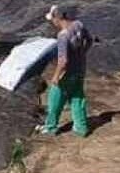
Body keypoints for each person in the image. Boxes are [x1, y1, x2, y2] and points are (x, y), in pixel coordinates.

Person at [37, 7, 93, 137]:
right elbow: (89, 40)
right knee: (77, 98)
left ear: (58, 18)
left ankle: (50, 127)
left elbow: (63, 61)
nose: (52, 22)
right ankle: (81, 127)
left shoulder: (63, 36)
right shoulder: (78, 25)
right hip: (80, 69)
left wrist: (56, 76)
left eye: (52, 19)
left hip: (66, 73)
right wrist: (82, 53)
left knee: (54, 98)